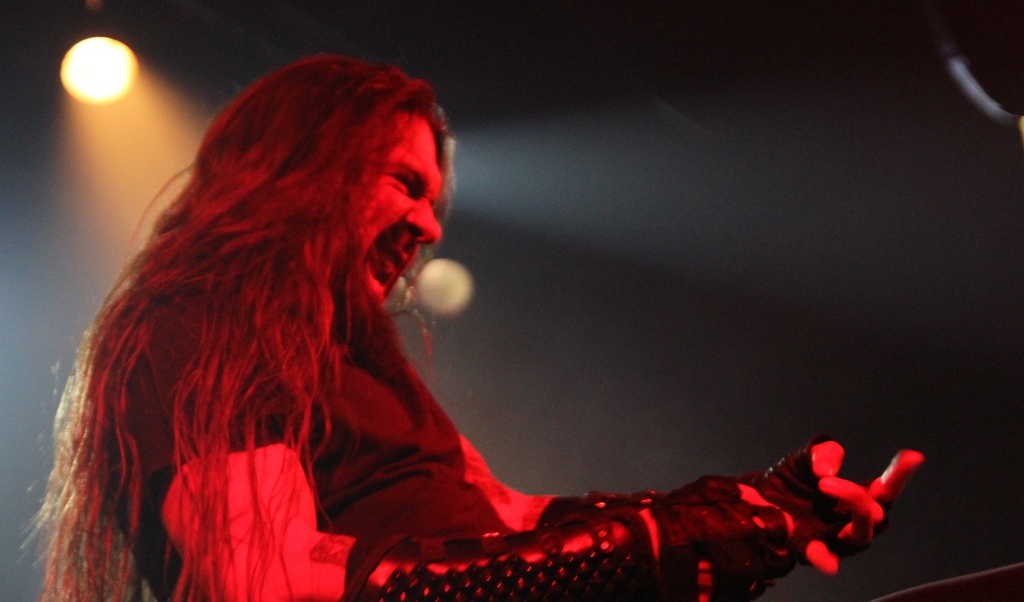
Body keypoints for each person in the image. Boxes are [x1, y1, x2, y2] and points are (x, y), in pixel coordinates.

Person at [38, 55, 923, 602]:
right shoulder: (196, 321)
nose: (428, 226)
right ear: (300, 169)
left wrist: (743, 514)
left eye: (434, 197)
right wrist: (633, 556)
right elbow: (268, 582)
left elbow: (511, 516)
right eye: (404, 183)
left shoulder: (365, 362)